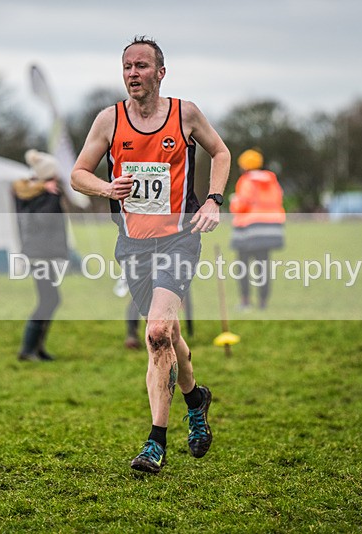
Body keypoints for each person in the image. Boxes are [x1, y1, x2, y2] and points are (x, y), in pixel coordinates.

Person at [71, 36, 230, 473]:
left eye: (142, 65)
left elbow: (220, 152)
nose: (133, 73)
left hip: (180, 236)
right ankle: (196, 399)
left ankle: (155, 443)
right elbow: (77, 173)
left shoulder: (185, 114)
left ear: (161, 72)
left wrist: (214, 198)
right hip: (133, 242)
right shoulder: (109, 120)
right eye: (127, 66)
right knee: (168, 332)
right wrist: (107, 187)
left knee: (157, 332)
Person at [14, 149, 69, 362]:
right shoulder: (41, 196)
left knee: (51, 299)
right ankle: (28, 349)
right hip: (41, 255)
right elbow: (44, 222)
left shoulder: (27, 193)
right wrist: (52, 196)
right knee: (49, 299)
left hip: (40, 254)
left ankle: (36, 348)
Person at [229, 148, 285, 309]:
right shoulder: (272, 180)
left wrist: (233, 202)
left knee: (243, 267)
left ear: (244, 166)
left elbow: (242, 205)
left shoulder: (246, 180)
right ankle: (263, 302)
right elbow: (278, 200)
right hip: (270, 230)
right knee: (263, 268)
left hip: (249, 230)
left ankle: (245, 301)